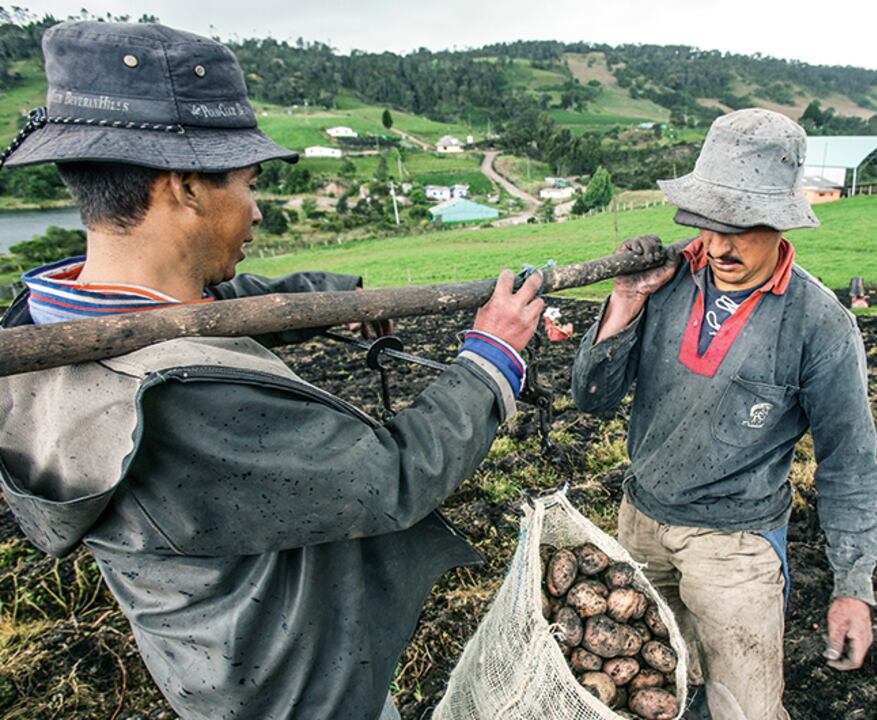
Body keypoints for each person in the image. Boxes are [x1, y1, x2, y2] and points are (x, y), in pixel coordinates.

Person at [0, 21, 543, 719]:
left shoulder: (51, 318)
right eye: (250, 185)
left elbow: (216, 305)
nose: (256, 211)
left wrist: (339, 298)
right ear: (186, 187)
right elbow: (391, 478)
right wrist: (491, 356)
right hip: (302, 695)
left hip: (210, 671)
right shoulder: (180, 400)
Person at [571, 109, 877, 719]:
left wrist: (853, 587)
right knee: (652, 694)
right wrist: (627, 298)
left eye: (740, 226)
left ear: (781, 219)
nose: (717, 245)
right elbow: (592, 398)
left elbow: (850, 466)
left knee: (744, 708)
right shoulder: (664, 281)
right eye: (707, 223)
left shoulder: (820, 325)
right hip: (640, 523)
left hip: (736, 548)